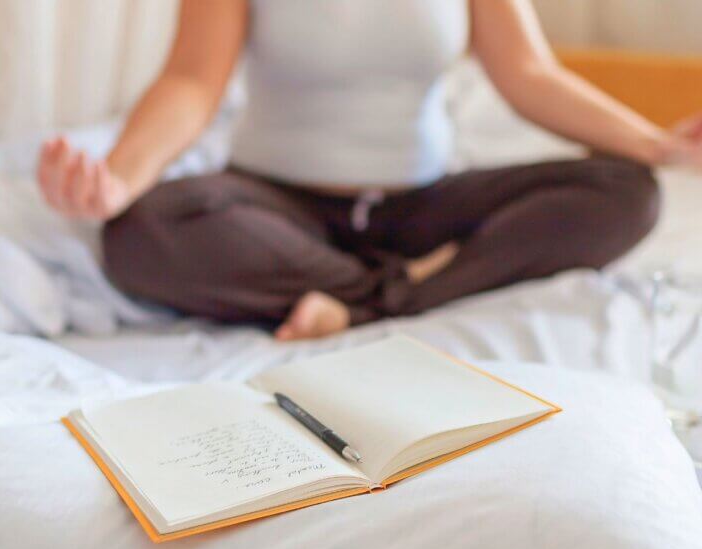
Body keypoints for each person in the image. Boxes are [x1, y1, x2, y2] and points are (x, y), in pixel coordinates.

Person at [37, 0, 702, 341]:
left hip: (421, 205)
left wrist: (654, 145)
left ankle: (363, 305)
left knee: (626, 192)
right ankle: (410, 288)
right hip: (278, 207)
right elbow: (190, 81)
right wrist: (120, 176)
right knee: (142, 230)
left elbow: (528, 73)